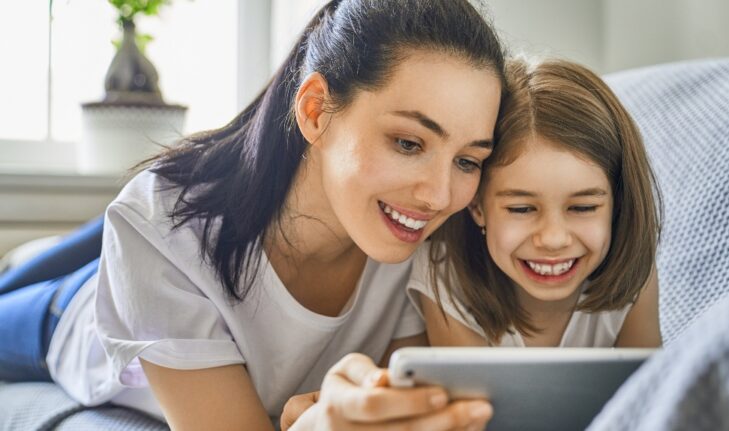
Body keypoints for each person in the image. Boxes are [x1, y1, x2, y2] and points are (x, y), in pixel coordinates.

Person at [0, 1, 506, 429]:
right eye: (407, 142)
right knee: (149, 219)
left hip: (204, 218)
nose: (439, 195)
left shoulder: (427, 244)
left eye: (468, 160)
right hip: (70, 316)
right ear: (314, 111)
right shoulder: (160, 224)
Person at [408, 57, 663, 349]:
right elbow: (468, 395)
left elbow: (651, 391)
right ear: (477, 206)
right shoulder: (443, 276)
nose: (553, 239)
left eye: (583, 208)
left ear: (618, 204)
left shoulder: (635, 278)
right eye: (522, 209)